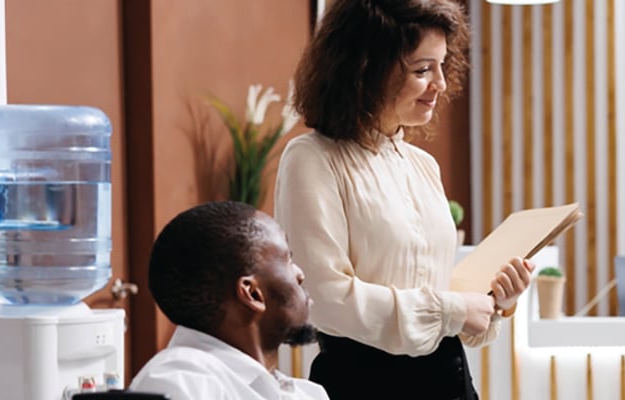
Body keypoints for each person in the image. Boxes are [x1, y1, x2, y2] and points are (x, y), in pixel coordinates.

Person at [275, 1, 533, 399]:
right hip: (364, 383)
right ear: (365, 69)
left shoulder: (422, 165)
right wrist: (452, 310)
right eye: (422, 70)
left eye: (443, 66)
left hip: (450, 380)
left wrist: (494, 301)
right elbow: (323, 298)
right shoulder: (311, 159)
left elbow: (430, 288)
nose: (441, 84)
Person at [130, 201, 328, 400]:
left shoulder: (307, 394)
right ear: (252, 294)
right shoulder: (180, 382)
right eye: (288, 259)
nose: (300, 274)